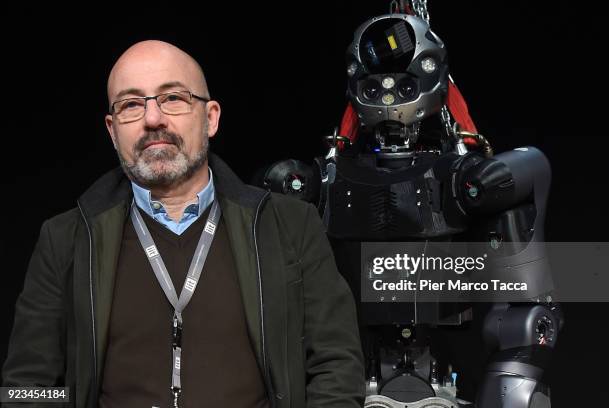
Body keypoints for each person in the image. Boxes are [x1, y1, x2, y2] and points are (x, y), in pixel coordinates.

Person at [2, 40, 364, 408]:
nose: (153, 119)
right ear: (112, 131)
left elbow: (336, 364)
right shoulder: (65, 239)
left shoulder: (291, 226)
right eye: (130, 105)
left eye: (172, 98)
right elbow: (25, 387)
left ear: (210, 118)